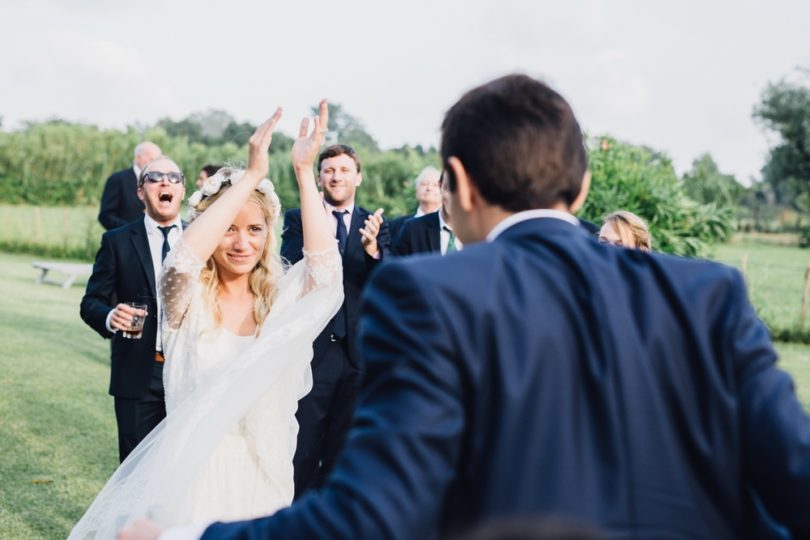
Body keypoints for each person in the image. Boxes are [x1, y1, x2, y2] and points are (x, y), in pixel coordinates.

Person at [123, 75, 810, 539]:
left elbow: (375, 512)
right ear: (583, 183)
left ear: (456, 185)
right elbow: (794, 476)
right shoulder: (710, 293)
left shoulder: (426, 296)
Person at [71, 102, 343, 538]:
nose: (241, 243)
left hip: (263, 477)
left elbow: (327, 274)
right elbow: (182, 259)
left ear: (269, 235)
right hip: (192, 479)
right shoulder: (187, 302)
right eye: (228, 229)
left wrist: (305, 173)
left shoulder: (281, 306)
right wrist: (251, 176)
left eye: (255, 229)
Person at [280, 143, 390, 497]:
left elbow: (389, 282)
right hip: (312, 352)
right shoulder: (300, 219)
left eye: (344, 170)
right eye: (329, 170)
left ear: (357, 177)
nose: (336, 176)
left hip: (358, 356)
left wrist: (374, 251)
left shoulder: (375, 223)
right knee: (304, 449)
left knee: (345, 451)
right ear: (318, 177)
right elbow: (289, 268)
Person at [80, 154, 185, 462]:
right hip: (138, 373)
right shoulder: (117, 240)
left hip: (190, 370)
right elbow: (91, 303)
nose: (165, 181)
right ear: (140, 192)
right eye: (154, 177)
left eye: (173, 177)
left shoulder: (202, 238)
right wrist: (111, 316)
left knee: (184, 470)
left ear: (181, 190)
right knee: (134, 471)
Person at [392, 171, 462, 256]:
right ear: (441, 187)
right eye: (449, 188)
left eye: (461, 190)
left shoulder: (480, 234)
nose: (453, 196)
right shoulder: (412, 229)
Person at [98, 141, 162, 230]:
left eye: (157, 160)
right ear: (138, 158)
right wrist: (129, 231)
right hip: (123, 241)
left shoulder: (162, 182)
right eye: (151, 159)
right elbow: (105, 216)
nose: (154, 163)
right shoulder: (117, 179)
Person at [388, 165, 443, 242]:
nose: (429, 188)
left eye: (435, 185)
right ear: (416, 190)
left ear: (444, 191)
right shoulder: (396, 225)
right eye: (424, 184)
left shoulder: (450, 225)